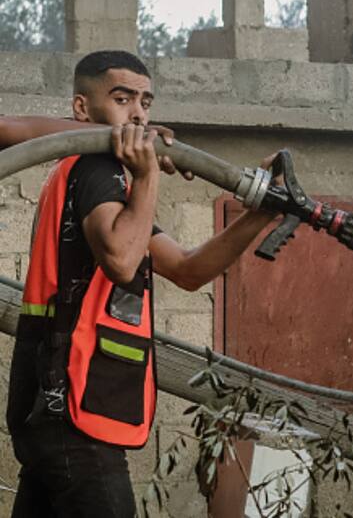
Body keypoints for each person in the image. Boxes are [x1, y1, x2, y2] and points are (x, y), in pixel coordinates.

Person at [1, 50, 279, 517]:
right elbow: (123, 260)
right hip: (73, 410)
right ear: (82, 109)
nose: (138, 113)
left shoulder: (98, 184)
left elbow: (188, 269)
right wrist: (148, 173)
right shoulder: (96, 170)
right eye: (122, 98)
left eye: (146, 103)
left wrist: (261, 216)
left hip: (54, 410)